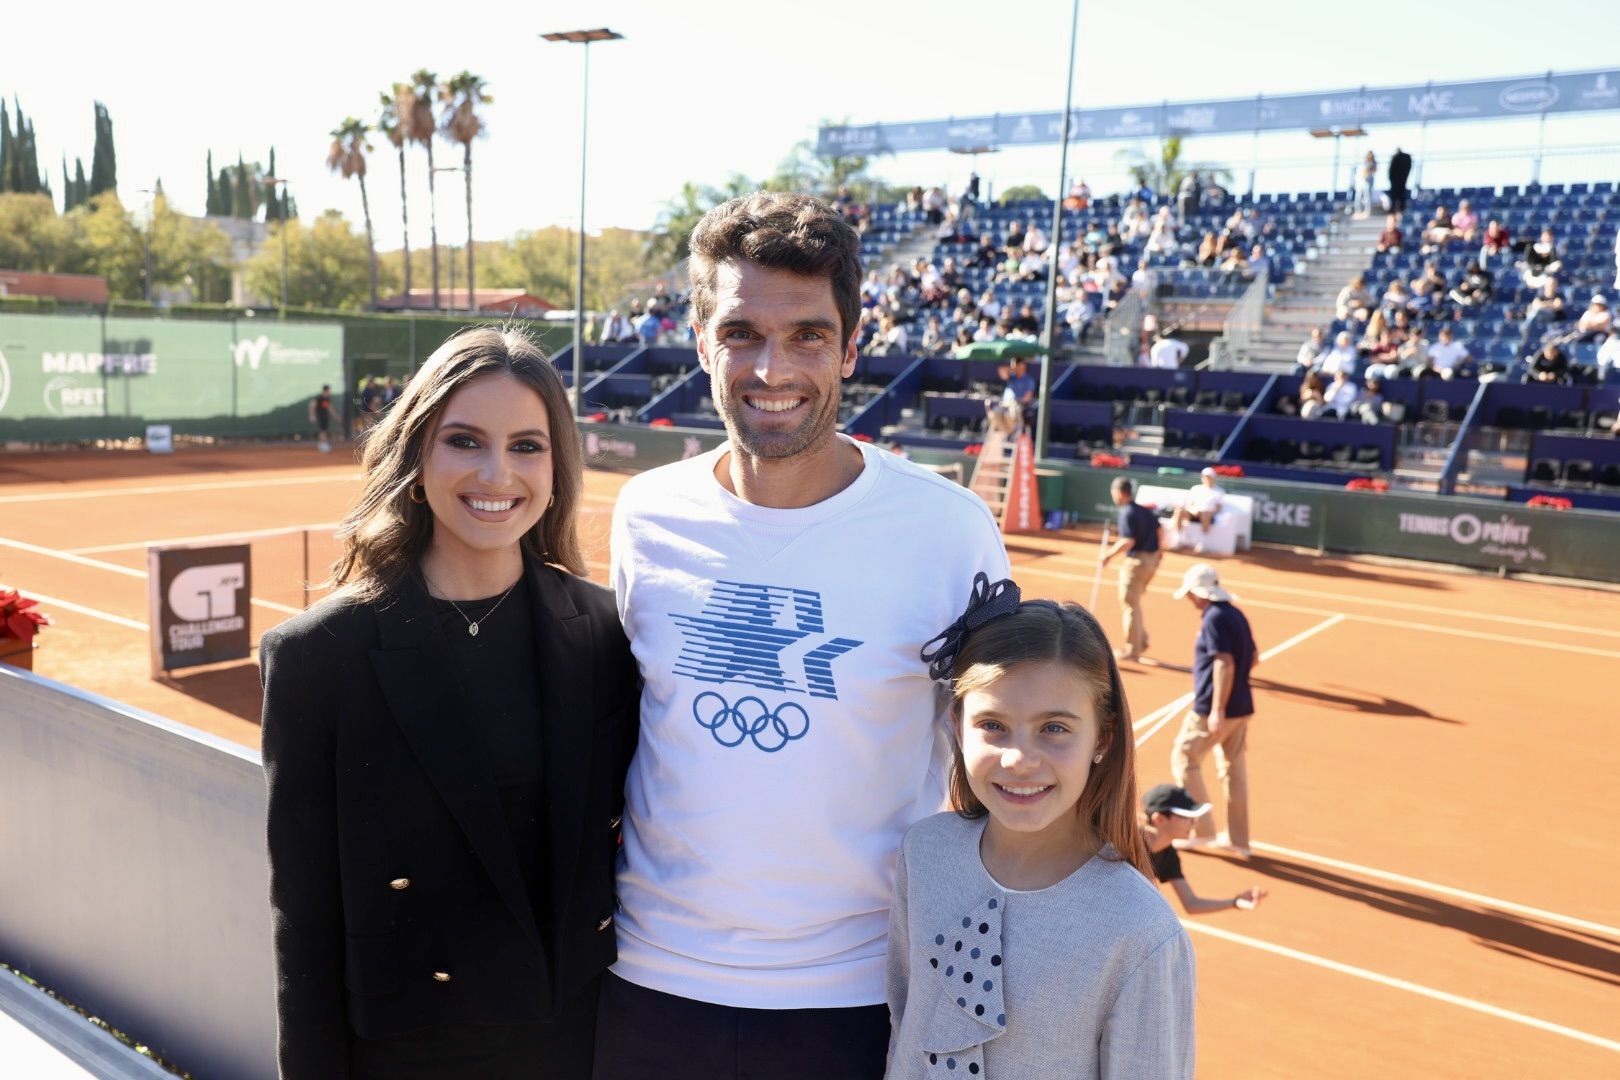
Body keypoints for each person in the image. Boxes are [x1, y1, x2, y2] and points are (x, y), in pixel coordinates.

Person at [598, 191, 1010, 1080]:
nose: (771, 367)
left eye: (808, 336)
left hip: (858, 999)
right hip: (648, 982)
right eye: (741, 332)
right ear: (702, 340)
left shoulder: (949, 531)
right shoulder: (644, 514)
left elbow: (997, 763)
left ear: (851, 348)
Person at [261, 327, 641, 1079]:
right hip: (407, 1056)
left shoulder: (608, 632)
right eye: (464, 440)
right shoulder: (317, 657)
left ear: (559, 466)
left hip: (575, 1044)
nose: (498, 472)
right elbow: (304, 924)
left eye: (528, 446)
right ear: (417, 459)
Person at [886, 586, 1194, 1079]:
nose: (1019, 760)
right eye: (993, 725)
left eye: (1054, 728)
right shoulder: (924, 854)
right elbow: (905, 1029)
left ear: (1102, 739)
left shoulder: (1141, 931)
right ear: (955, 727)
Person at [1169, 564, 1259, 858]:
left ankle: (1201, 829)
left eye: (1190, 594)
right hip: (1242, 706)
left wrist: (1217, 708)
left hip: (1215, 707)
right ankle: (1239, 840)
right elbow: (1254, 656)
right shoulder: (1235, 614)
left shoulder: (1214, 619)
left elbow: (1224, 663)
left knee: (1185, 756)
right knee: (1234, 771)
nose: (1188, 600)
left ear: (1199, 593)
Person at [1142, 785, 1267, 915]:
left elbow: (1191, 904)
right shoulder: (1125, 848)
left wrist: (1235, 902)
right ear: (1159, 819)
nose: (1194, 823)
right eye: (1187, 817)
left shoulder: (1167, 854)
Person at [1100, 476, 1162, 662]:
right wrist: (1159, 553)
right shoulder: (1145, 511)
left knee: (1130, 604)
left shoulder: (1127, 512)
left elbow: (1128, 541)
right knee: (1134, 602)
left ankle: (1132, 649)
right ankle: (1140, 640)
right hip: (1151, 561)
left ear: (1119, 493)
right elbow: (1160, 531)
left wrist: (1108, 555)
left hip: (1137, 563)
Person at [1168, 467, 1224, 553]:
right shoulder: (1196, 488)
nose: (1206, 479)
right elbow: (1189, 504)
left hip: (1208, 515)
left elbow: (1218, 508)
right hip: (1193, 513)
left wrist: (1205, 510)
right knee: (1179, 511)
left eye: (1209, 477)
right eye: (1205, 477)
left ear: (1213, 478)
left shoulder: (1219, 491)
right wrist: (1194, 510)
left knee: (1205, 513)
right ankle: (1178, 540)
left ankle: (1202, 543)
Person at [309, 383, 334, 452]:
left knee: (324, 430)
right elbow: (312, 405)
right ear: (326, 390)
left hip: (325, 417)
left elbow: (329, 408)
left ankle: (324, 444)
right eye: (329, 390)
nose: (330, 392)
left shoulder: (327, 399)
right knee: (322, 431)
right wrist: (312, 415)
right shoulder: (319, 398)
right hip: (320, 417)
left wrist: (335, 415)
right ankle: (322, 445)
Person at [1388, 147, 1413, 214]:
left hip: (1396, 180)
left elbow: (1391, 170)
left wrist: (1391, 179)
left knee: (1395, 195)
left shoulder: (1395, 157)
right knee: (1401, 195)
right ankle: (1402, 208)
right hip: (1403, 179)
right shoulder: (1407, 157)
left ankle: (1394, 209)